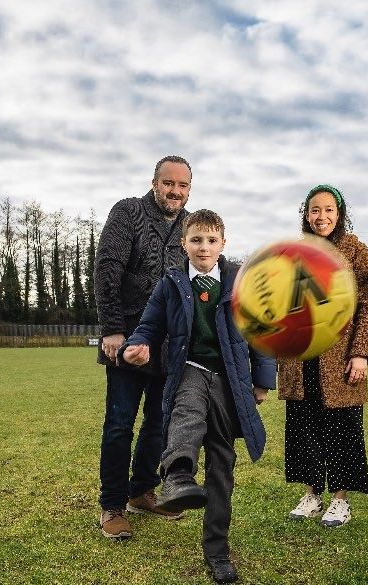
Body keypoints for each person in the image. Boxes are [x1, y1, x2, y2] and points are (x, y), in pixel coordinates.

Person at [120, 209, 275, 584]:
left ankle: (218, 551)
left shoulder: (241, 281)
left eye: (210, 240)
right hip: (189, 368)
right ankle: (177, 476)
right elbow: (150, 324)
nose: (203, 247)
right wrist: (138, 344)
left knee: (222, 464)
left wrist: (262, 380)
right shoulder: (171, 283)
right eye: (195, 240)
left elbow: (261, 332)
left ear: (223, 243)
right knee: (186, 414)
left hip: (229, 380)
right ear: (183, 244)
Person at [94, 155, 192, 539]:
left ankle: (142, 492)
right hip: (130, 339)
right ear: (155, 183)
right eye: (169, 183)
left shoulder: (189, 225)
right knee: (119, 424)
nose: (175, 191)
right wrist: (113, 330)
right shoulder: (128, 212)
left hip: (171, 346)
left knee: (159, 424)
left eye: (183, 185)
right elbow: (107, 268)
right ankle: (112, 505)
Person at [278, 184, 368, 528]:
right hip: (301, 356)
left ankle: (340, 500)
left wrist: (361, 354)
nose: (321, 217)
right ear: (306, 215)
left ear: (340, 214)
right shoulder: (295, 251)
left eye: (328, 210)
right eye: (314, 210)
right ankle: (311, 494)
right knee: (303, 428)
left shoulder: (354, 250)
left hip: (339, 357)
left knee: (342, 427)